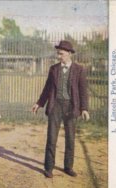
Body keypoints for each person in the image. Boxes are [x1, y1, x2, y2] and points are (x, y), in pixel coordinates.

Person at [32, 40, 90, 178]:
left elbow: (83, 91)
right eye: (58, 54)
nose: (59, 56)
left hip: (71, 107)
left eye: (61, 54)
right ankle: (48, 168)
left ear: (69, 54)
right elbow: (47, 88)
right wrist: (39, 103)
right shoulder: (54, 69)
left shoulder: (79, 69)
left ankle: (68, 167)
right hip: (55, 106)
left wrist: (84, 109)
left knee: (70, 139)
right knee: (51, 138)